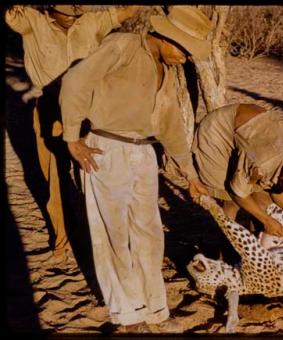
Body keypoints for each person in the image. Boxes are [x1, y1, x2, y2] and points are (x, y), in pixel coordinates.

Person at [58, 6, 210, 331]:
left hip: (144, 154)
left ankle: (155, 310)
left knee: (150, 235)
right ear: (169, 37)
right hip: (106, 148)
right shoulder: (124, 45)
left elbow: (171, 127)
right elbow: (75, 81)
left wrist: (191, 175)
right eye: (184, 51)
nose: (185, 59)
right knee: (112, 235)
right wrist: (72, 138)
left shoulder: (166, 72)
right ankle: (127, 315)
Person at [5, 4, 142, 263]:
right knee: (55, 179)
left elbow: (126, 12)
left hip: (89, 110)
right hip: (50, 109)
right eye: (64, 11)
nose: (70, 17)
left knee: (94, 173)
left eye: (75, 12)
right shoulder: (31, 20)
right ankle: (61, 241)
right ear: (49, 9)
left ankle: (102, 241)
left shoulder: (92, 21)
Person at [192, 103, 283, 238]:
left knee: (261, 196)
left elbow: (275, 188)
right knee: (229, 197)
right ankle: (226, 243)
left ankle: (255, 232)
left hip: (253, 129)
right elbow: (237, 193)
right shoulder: (261, 163)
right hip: (216, 133)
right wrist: (267, 220)